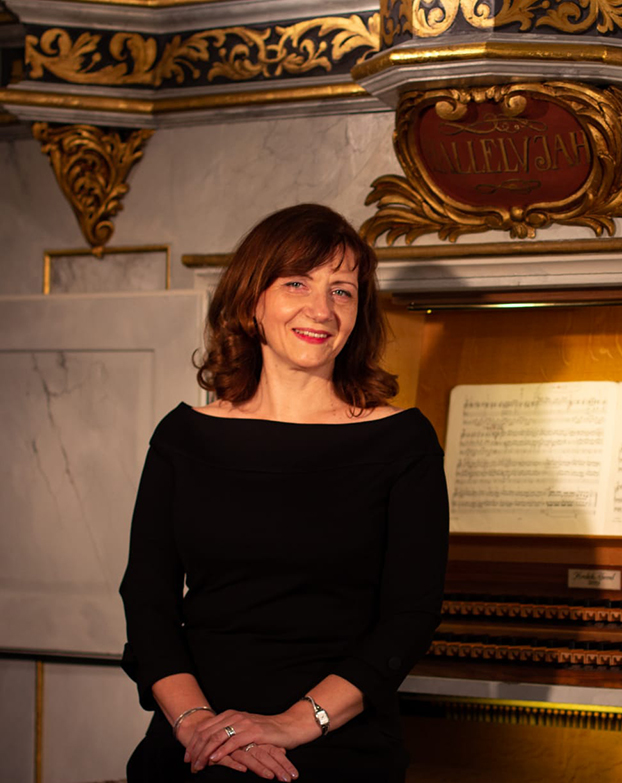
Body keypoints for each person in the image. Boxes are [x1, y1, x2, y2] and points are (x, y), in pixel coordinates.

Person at [119, 204, 449, 782]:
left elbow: (409, 616)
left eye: (342, 291)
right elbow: (147, 602)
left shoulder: (403, 441)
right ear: (253, 300)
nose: (321, 309)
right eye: (297, 283)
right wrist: (197, 724)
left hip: (336, 736)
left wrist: (295, 723)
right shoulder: (183, 437)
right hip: (196, 734)